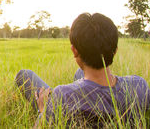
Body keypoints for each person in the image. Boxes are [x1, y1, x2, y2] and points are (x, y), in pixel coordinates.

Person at [15, 13, 150, 127]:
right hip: (110, 91)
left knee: (24, 75)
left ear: (74, 51)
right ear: (115, 51)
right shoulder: (139, 84)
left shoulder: (62, 95)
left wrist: (43, 111)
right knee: (79, 74)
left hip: (64, 102)